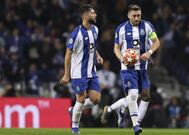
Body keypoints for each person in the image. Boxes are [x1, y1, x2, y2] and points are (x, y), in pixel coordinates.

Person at [101, 4, 160, 135]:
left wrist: (149, 53)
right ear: (128, 15)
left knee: (145, 96)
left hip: (142, 68)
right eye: (134, 15)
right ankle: (136, 126)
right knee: (133, 96)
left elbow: (156, 42)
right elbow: (116, 47)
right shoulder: (121, 29)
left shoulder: (147, 26)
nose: (137, 18)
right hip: (128, 68)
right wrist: (121, 57)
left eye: (138, 15)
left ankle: (113, 110)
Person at [60, 4, 103, 134]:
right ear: (85, 16)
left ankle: (74, 110)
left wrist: (98, 55)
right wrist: (66, 74)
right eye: (92, 13)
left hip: (92, 71)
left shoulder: (95, 29)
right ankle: (75, 127)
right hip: (78, 72)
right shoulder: (76, 34)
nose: (95, 15)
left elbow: (92, 46)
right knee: (81, 99)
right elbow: (68, 54)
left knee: (96, 99)